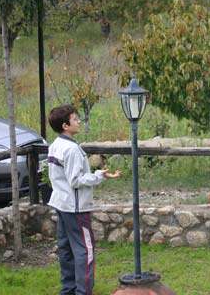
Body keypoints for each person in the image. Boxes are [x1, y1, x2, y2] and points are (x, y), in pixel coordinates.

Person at [47, 105, 121, 295]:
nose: (78, 121)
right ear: (65, 125)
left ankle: (69, 290)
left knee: (66, 249)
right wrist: (99, 175)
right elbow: (75, 180)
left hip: (61, 204)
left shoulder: (55, 145)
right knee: (85, 250)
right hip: (75, 207)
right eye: (75, 119)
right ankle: (84, 292)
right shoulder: (71, 149)